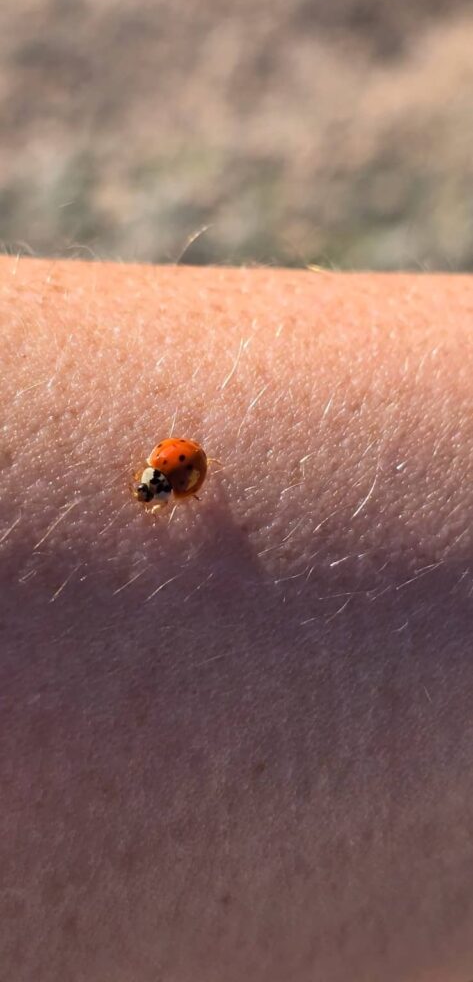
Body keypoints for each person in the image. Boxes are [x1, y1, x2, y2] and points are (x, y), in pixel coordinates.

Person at [1, 255, 472, 981]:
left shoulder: (178, 470)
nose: (158, 481)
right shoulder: (169, 471)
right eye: (157, 479)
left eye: (157, 481)